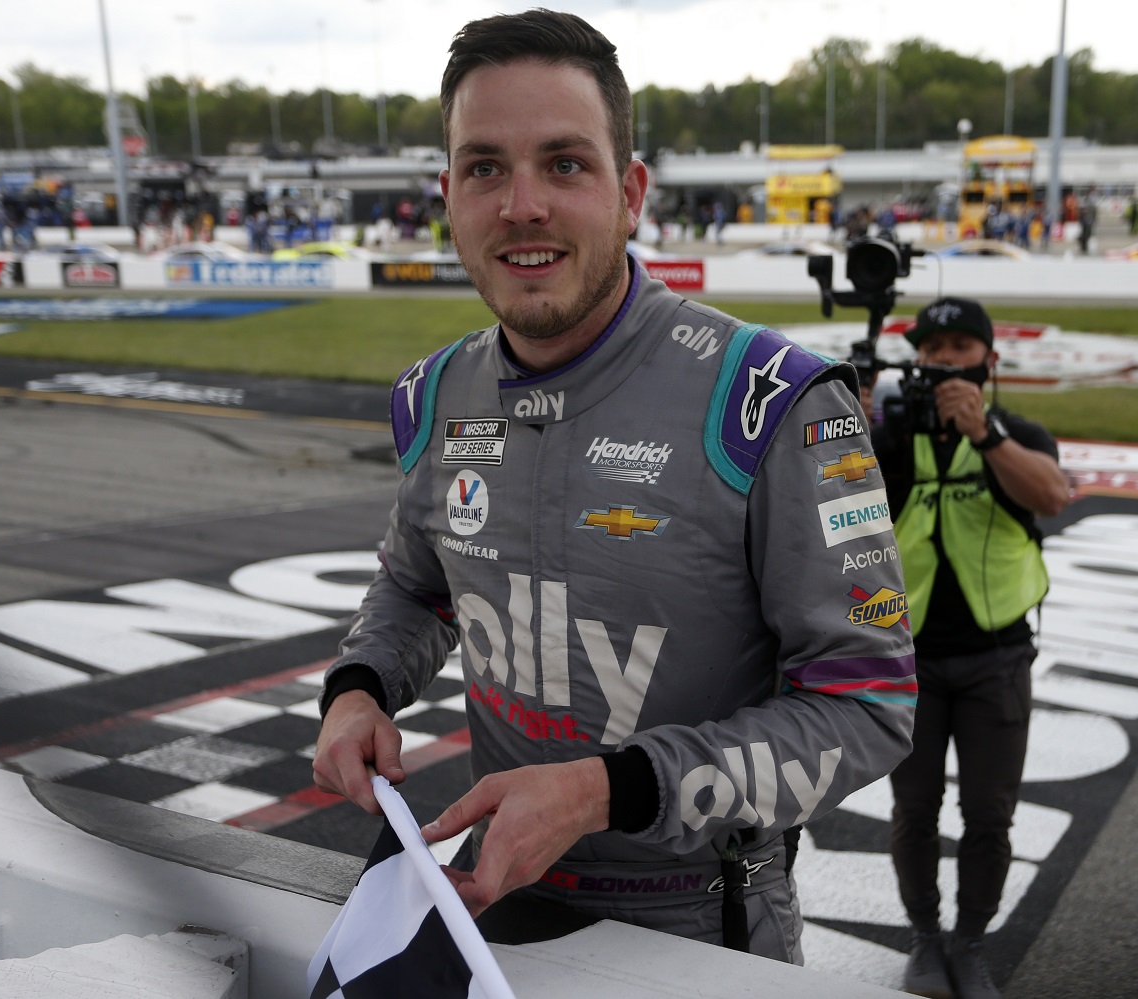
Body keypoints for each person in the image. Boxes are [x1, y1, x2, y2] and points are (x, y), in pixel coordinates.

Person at [311, 8, 916, 964]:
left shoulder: (773, 401)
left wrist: (605, 788)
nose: (521, 206)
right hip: (491, 906)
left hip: (703, 931)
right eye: (484, 168)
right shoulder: (432, 397)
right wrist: (358, 686)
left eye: (564, 163)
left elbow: (867, 704)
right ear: (449, 195)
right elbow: (420, 586)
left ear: (629, 192)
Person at [865, 298, 1070, 999]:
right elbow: (835, 509)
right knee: (914, 809)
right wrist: (847, 430)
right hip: (910, 657)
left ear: (989, 361)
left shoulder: (1019, 432)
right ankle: (925, 936)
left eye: (960, 346)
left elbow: (1052, 495)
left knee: (989, 814)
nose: (946, 359)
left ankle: (971, 940)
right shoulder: (891, 436)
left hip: (997, 657)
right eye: (933, 348)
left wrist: (984, 434)